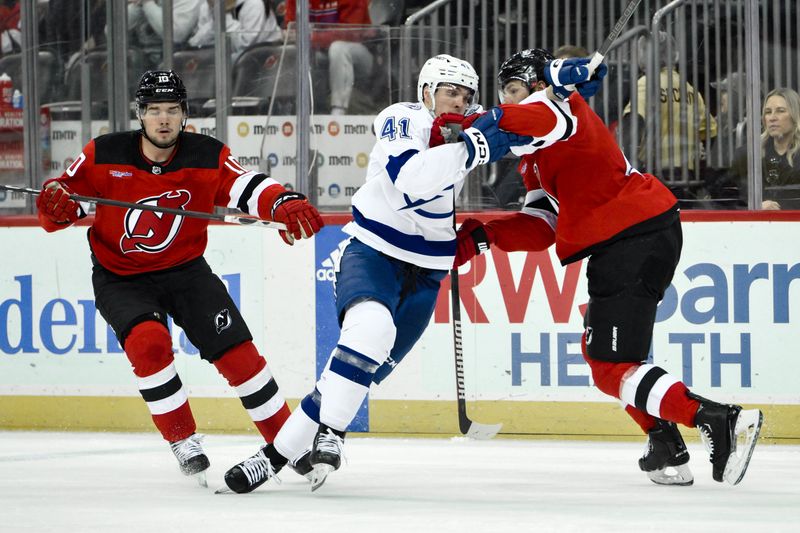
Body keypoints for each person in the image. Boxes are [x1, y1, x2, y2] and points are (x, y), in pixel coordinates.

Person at [219, 54, 532, 493]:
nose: (458, 102)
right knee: (370, 330)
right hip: (374, 254)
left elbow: (535, 131)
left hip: (427, 274)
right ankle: (333, 435)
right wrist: (474, 146)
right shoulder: (400, 119)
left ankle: (270, 457)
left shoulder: (469, 127)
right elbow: (411, 179)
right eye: (449, 91)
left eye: (465, 96)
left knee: (351, 372)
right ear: (426, 92)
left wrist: (560, 94)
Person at [453, 48, 763, 486]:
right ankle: (664, 443)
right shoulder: (535, 155)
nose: (506, 100)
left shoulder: (553, 109)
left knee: (610, 365)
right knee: (609, 362)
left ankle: (718, 420)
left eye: (513, 90)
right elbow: (542, 226)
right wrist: (485, 235)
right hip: (633, 237)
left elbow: (526, 116)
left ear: (539, 86)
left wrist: (474, 128)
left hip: (631, 237)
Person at [34, 70, 324, 485]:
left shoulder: (206, 154)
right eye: (155, 110)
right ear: (141, 114)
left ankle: (288, 443)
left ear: (185, 114)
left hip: (187, 273)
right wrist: (54, 205)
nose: (164, 119)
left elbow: (246, 186)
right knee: (149, 345)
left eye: (173, 110)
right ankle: (182, 438)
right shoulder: (103, 153)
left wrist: (283, 201)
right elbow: (63, 204)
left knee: (239, 357)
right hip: (122, 277)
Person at [622, 31, 717, 201]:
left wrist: (630, 170)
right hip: (686, 179)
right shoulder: (690, 89)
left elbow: (635, 123)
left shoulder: (646, 83)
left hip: (654, 176)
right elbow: (711, 134)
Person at [285, 0, 375, 115]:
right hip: (321, 52)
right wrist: (297, 36)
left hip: (360, 56)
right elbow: (291, 27)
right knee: (296, 50)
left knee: (338, 48)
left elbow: (350, 33)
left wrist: (311, 38)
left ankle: (339, 109)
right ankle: (300, 108)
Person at [723, 87, 800, 209]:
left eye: (780, 111)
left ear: (795, 115)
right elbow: (726, 201)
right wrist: (753, 208)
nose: (772, 117)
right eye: (768, 112)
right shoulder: (747, 155)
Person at [188, 0, 281, 60]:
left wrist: (222, 18)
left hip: (262, 60)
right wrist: (215, 18)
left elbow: (245, 45)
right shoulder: (207, 6)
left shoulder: (254, 4)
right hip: (227, 58)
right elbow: (196, 43)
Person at [128, 0, 202, 68]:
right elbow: (118, 32)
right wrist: (137, 6)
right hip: (142, 62)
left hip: (177, 64)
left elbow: (176, 35)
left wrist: (148, 4)